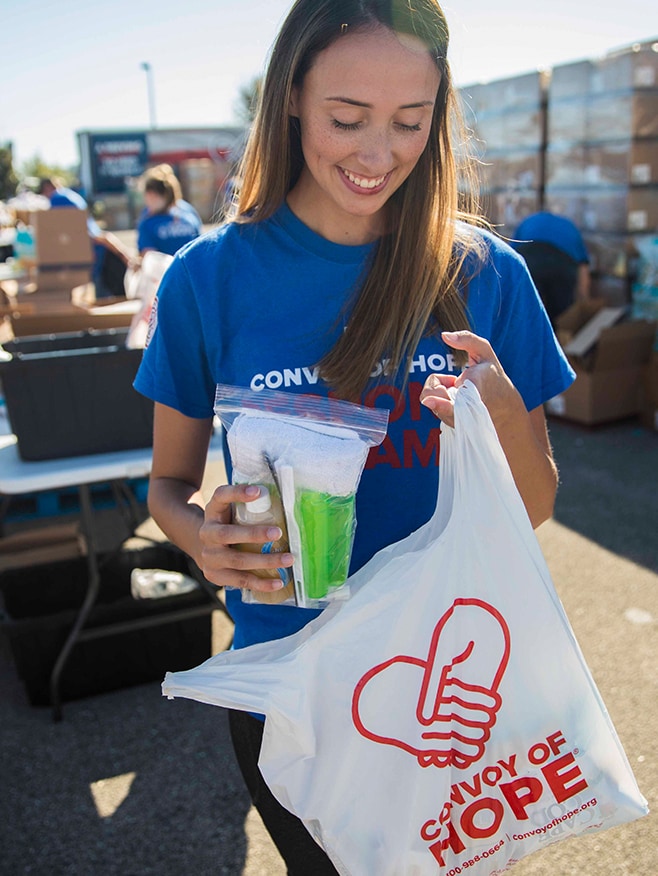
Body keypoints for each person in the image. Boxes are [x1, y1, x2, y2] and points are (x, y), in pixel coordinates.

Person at [134, 1, 575, 872]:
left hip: (461, 689)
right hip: (291, 687)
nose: (379, 155)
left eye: (411, 122)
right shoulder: (207, 280)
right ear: (292, 97)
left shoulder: (487, 276)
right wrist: (204, 541)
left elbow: (536, 505)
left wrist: (497, 417)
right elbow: (165, 485)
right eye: (348, 118)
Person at [38, 177, 136, 298]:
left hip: (94, 252)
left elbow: (61, 228)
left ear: (47, 188)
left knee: (101, 298)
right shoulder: (70, 195)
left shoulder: (58, 198)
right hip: (100, 248)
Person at [512, 210, 591, 327]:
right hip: (562, 262)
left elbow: (509, 259)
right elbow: (583, 269)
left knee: (528, 307)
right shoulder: (569, 227)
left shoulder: (528, 222)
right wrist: (584, 303)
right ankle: (560, 338)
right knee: (561, 313)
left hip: (530, 257)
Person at [136, 164, 202, 257]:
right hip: (192, 268)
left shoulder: (148, 222)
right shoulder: (189, 211)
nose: (147, 201)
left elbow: (149, 258)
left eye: (149, 195)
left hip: (165, 270)